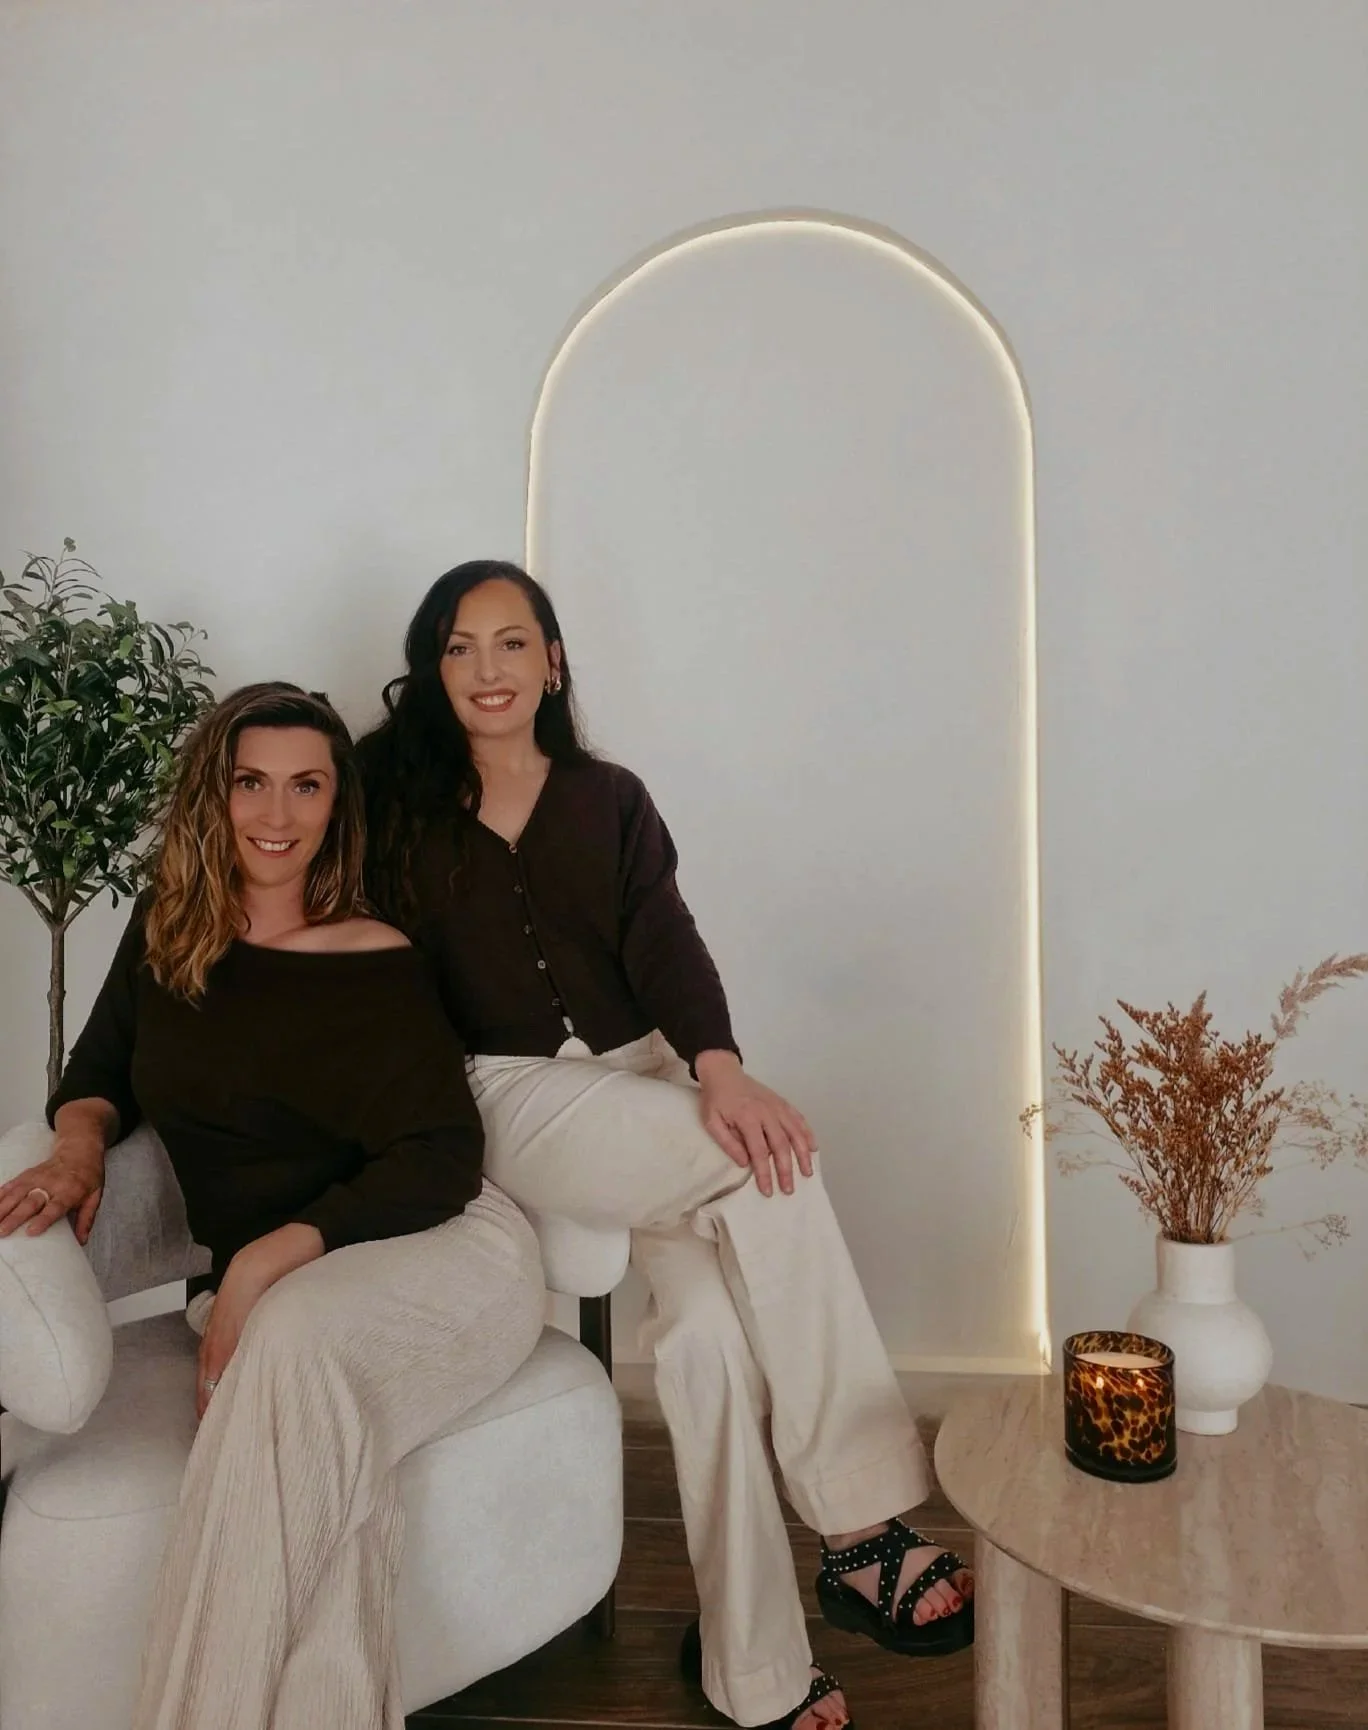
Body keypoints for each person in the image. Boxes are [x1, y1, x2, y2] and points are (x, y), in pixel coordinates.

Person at [357, 561, 974, 1730]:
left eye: (511, 641)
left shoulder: (610, 797)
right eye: (458, 646)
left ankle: (755, 1670)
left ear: (553, 659)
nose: (487, 668)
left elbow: (663, 934)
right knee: (765, 1163)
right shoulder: (389, 805)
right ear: (431, 669)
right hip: (511, 1089)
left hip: (644, 1073)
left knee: (705, 1343)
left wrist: (717, 1064)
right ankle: (859, 1520)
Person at [0, 682, 545, 1730]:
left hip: (446, 1254)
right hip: (299, 1297)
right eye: (252, 782)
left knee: (291, 1342)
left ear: (338, 804)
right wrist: (75, 1147)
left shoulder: (376, 957)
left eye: (307, 786)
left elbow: (441, 1158)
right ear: (217, 793)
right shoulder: (167, 934)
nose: (277, 815)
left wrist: (259, 1261)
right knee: (319, 1452)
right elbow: (98, 1070)